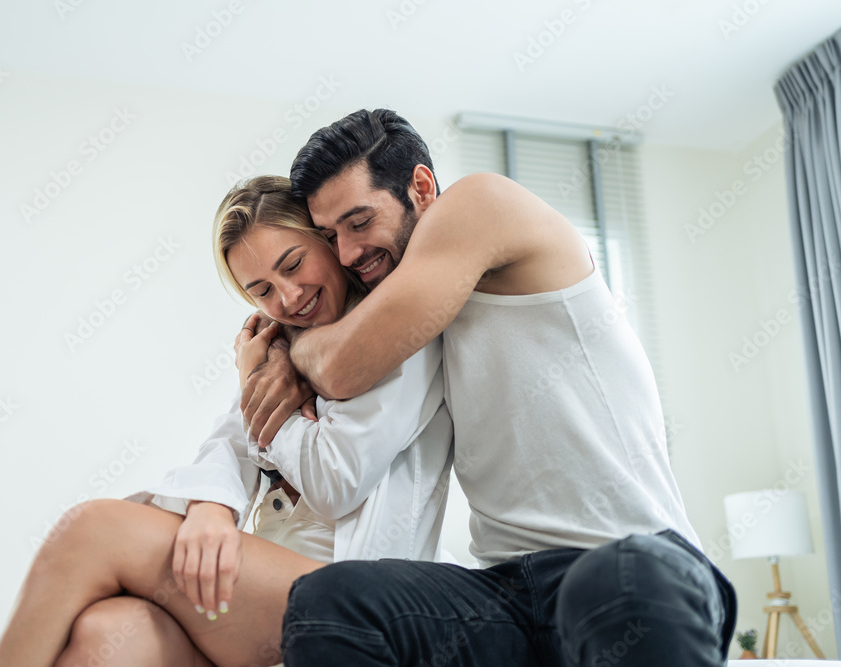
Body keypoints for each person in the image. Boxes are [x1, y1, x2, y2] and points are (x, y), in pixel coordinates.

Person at [235, 110, 737, 667]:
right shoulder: (410, 316)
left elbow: (343, 367)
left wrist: (286, 346)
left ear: (421, 187)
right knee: (327, 600)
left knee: (605, 583)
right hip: (511, 593)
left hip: (629, 560)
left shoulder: (480, 204)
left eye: (359, 222)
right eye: (330, 236)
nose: (348, 253)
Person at [0, 175, 453, 667]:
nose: (290, 297)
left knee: (90, 531)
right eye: (262, 290)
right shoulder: (281, 349)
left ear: (327, 240)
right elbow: (230, 441)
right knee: (107, 635)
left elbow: (337, 481)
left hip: (351, 596)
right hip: (266, 598)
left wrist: (261, 387)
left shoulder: (396, 329)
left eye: (293, 264)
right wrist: (210, 506)